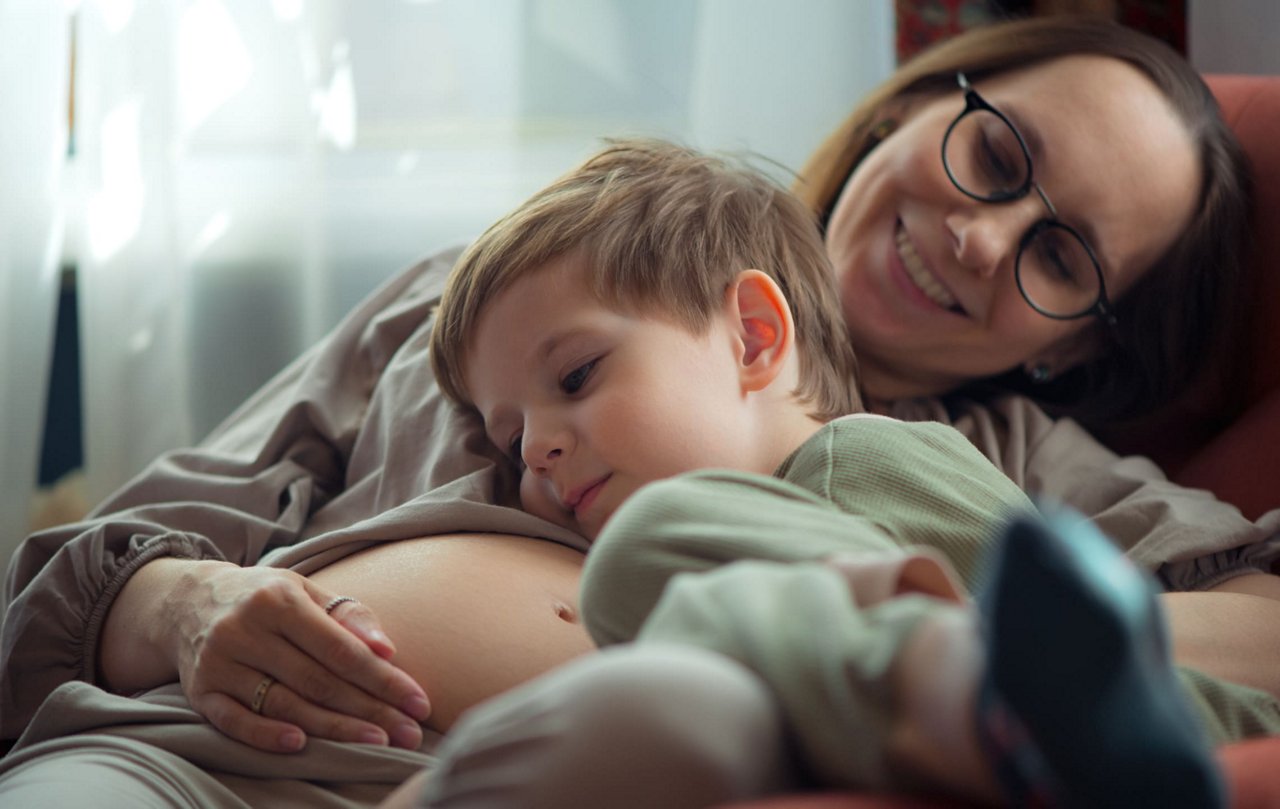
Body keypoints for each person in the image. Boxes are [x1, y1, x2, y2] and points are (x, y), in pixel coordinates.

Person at [0, 12, 1276, 806]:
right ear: (911, 103)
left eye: (1061, 258)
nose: (987, 239)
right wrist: (186, 608)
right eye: (994, 157)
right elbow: (52, 593)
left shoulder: (1023, 466)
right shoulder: (488, 294)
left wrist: (983, 630)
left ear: (1075, 344)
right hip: (183, 753)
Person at [400, 135, 1250, 808]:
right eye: (510, 438)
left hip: (1197, 722)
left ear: (755, 337)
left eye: (578, 376)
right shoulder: (765, 542)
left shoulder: (860, 457)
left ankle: (985, 701)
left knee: (645, 556)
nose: (537, 450)